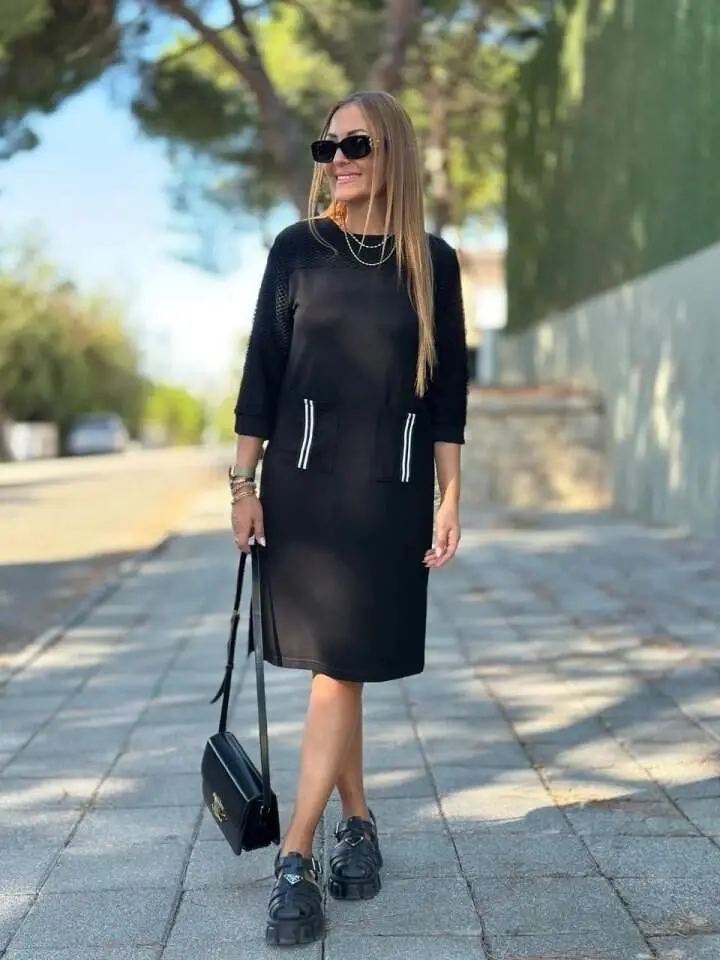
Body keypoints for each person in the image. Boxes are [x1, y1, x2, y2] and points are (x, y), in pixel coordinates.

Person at [230, 89, 468, 947]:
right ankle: (333, 835)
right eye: (327, 146)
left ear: (392, 149)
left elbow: (447, 393)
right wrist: (242, 483)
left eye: (356, 144)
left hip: (389, 492)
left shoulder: (432, 263)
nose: (338, 159)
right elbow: (261, 372)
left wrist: (449, 494)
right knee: (339, 669)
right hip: (302, 490)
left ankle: (312, 843)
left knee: (345, 667)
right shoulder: (297, 249)